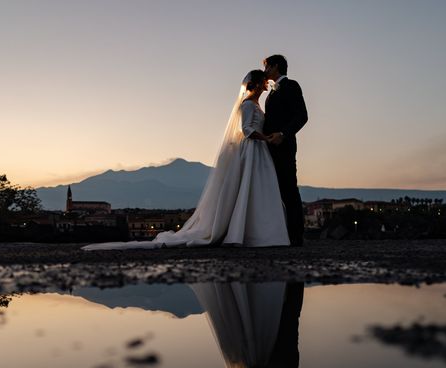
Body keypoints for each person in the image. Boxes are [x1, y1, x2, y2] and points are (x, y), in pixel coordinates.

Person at [82, 70, 289, 250]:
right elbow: (246, 130)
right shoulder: (247, 105)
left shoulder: (256, 104)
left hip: (259, 150)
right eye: (264, 80)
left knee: (257, 189)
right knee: (250, 188)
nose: (267, 82)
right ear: (259, 83)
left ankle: (260, 232)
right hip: (253, 148)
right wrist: (267, 138)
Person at [263, 54, 308, 247]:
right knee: (277, 191)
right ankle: (280, 233)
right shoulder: (272, 92)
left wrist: (283, 134)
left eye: (266, 67)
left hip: (285, 146)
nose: (265, 71)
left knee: (289, 188)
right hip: (269, 148)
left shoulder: (291, 86)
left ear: (275, 67)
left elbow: (302, 116)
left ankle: (296, 235)